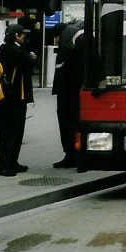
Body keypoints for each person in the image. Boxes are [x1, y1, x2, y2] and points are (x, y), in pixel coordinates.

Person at [0, 23, 36, 176]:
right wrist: (30, 56)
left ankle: (7, 163)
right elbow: (30, 62)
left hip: (5, 98)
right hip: (14, 98)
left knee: (6, 133)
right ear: (17, 36)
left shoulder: (3, 49)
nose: (25, 37)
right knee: (13, 133)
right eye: (23, 35)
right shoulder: (15, 50)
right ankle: (7, 165)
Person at [52, 23, 84, 168]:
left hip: (68, 90)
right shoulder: (78, 34)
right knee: (76, 122)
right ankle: (78, 156)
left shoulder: (67, 37)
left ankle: (72, 156)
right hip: (78, 88)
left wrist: (58, 88)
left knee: (67, 122)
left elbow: (61, 67)